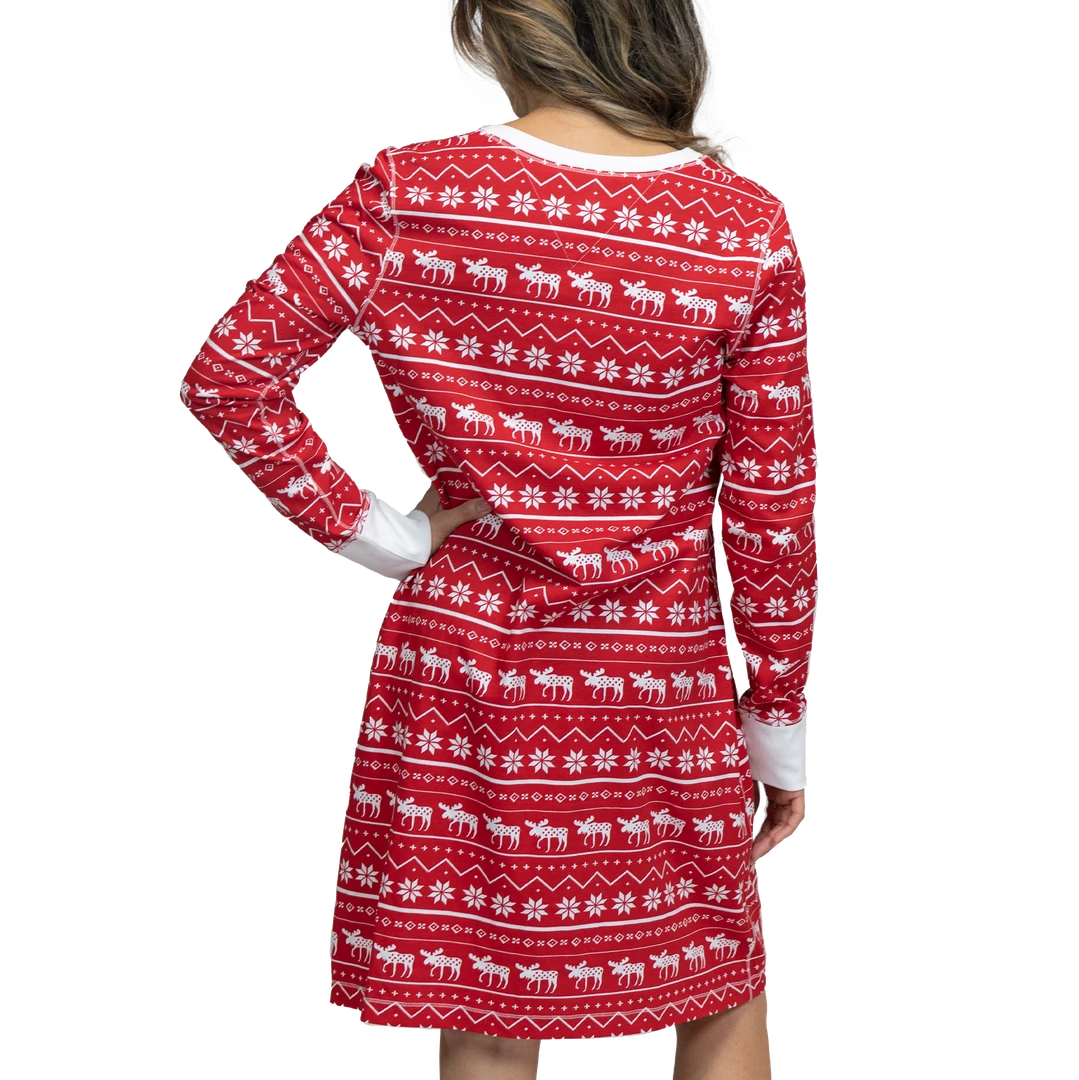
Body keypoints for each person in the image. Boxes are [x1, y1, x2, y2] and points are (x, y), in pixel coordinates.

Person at [176, 2, 817, 1076]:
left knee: (484, 1004)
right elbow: (772, 506)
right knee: (715, 975)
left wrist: (384, 535)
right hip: (659, 669)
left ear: (497, 36)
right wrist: (779, 725)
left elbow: (229, 376)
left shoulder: (411, 192)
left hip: (466, 656)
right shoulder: (739, 226)